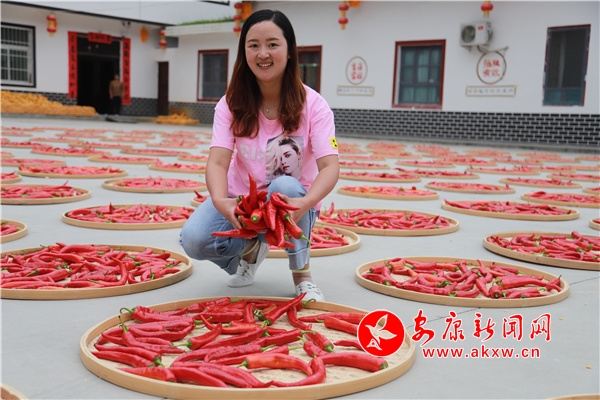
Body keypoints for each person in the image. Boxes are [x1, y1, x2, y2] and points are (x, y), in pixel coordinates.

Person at [179, 9, 339, 301]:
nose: (263, 53)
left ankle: (302, 275)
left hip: (292, 204)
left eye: (272, 44)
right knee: (194, 239)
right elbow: (218, 161)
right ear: (244, 53)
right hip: (243, 202)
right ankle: (251, 251)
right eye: (253, 45)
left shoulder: (314, 105)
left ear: (289, 50)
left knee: (285, 185)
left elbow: (329, 166)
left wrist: (306, 202)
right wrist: (221, 200)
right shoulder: (231, 104)